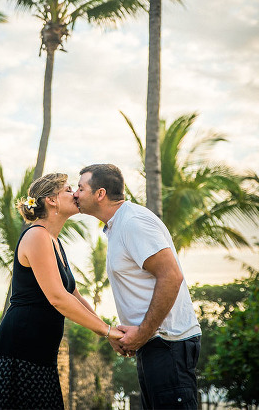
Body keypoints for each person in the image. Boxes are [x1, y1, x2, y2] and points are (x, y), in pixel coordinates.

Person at [0, 173, 124, 410]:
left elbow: (74, 296)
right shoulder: (37, 235)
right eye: (69, 190)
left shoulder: (54, 241)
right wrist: (108, 332)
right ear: (51, 200)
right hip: (21, 350)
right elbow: (58, 298)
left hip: (41, 354)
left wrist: (106, 333)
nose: (76, 194)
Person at [74, 164, 201, 410]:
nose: (75, 194)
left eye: (81, 188)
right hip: (153, 344)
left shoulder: (133, 222)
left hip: (167, 343)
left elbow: (172, 276)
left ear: (100, 194)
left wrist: (143, 332)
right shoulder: (117, 225)